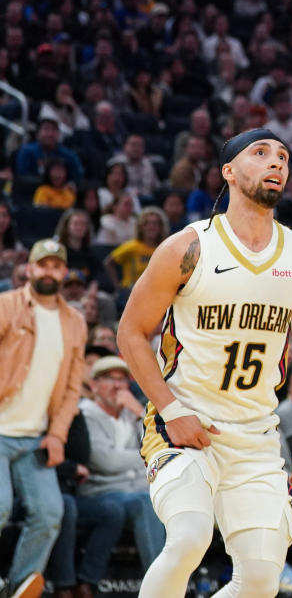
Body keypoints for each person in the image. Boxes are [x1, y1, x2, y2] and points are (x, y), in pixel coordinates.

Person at [116, 129, 292, 598]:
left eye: (284, 157)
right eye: (261, 153)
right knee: (190, 538)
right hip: (184, 424)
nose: (276, 163)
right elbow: (129, 333)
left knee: (260, 583)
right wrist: (172, 410)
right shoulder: (187, 248)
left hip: (255, 436)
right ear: (228, 171)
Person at [0, 240, 87, 598]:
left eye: (55, 265)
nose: (48, 271)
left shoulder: (75, 322)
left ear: (64, 272)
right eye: (42, 265)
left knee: (51, 512)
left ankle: (18, 587)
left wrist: (57, 435)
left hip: (36, 436)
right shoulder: (6, 306)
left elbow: (71, 389)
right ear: (29, 269)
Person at [75, 355, 166, 592]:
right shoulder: (85, 414)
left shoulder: (131, 413)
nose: (117, 385)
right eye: (109, 379)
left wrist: (139, 413)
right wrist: (142, 460)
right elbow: (105, 461)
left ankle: (192, 580)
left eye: (122, 380)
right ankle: (160, 587)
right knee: (146, 502)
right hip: (100, 492)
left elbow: (157, 450)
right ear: (94, 385)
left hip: (136, 491)